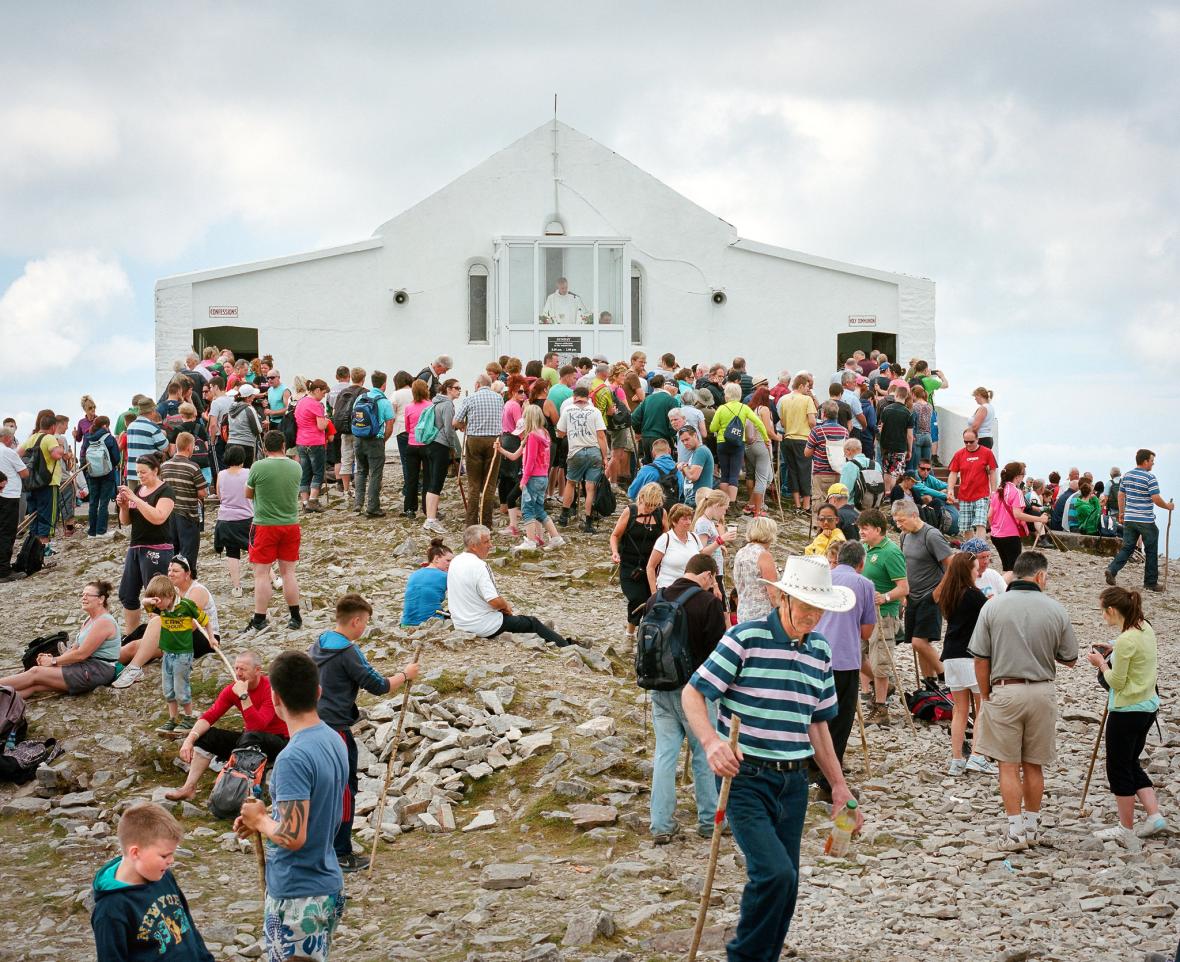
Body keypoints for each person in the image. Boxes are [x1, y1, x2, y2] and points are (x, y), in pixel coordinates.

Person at [683, 554, 863, 962]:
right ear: (783, 600)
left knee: (787, 882)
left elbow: (819, 726)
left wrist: (838, 785)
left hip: (794, 781)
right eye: (806, 607)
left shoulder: (820, 650)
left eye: (820, 609)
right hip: (744, 778)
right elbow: (693, 693)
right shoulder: (744, 638)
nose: (813, 616)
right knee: (774, 874)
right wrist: (711, 741)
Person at [234, 651, 348, 962]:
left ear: (274, 698)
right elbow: (316, 809)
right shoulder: (333, 739)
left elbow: (293, 837)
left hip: (299, 894)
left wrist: (260, 821)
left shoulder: (292, 758)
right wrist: (267, 816)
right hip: (327, 883)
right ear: (319, 692)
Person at [968, 551, 1078, 851]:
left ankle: (1014, 831)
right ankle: (1031, 827)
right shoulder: (1055, 609)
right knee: (1034, 764)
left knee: (1007, 764)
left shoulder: (993, 607)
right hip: (1042, 690)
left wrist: (987, 696)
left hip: (1005, 688)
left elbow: (980, 657)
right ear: (1040, 576)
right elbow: (1070, 658)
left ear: (1015, 574)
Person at [310, 593, 419, 872]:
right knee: (345, 789)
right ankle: (341, 852)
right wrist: (406, 674)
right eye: (366, 622)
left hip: (311, 725)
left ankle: (319, 844)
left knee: (322, 788)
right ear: (356, 620)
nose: (366, 627)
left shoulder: (320, 642)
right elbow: (378, 685)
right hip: (336, 730)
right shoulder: (348, 651)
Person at [645, 553, 728, 843]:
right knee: (705, 754)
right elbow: (720, 653)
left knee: (665, 754)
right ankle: (709, 821)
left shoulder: (658, 598)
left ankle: (661, 824)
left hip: (660, 687)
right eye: (713, 581)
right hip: (696, 691)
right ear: (707, 576)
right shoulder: (708, 603)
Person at [1086, 586, 1167, 849]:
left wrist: (1101, 663)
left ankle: (1126, 829)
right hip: (1147, 707)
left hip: (1127, 710)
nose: (1103, 616)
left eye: (1103, 611)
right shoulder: (1145, 627)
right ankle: (1154, 816)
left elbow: (1116, 682)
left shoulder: (1126, 640)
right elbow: (1135, 657)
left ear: (1111, 610)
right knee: (1131, 762)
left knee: (1118, 768)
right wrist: (1113, 651)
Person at [91, 802, 215, 962]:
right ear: (135, 852)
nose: (171, 860)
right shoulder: (110, 910)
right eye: (164, 856)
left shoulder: (164, 877)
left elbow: (188, 927)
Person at [165, 649, 290, 801]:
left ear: (258, 670)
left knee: (251, 735)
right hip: (249, 742)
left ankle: (243, 794)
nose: (238, 673)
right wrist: (189, 739)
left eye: (243, 669)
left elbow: (258, 726)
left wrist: (244, 696)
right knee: (207, 736)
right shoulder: (233, 689)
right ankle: (189, 787)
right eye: (236, 668)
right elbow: (210, 716)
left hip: (279, 743)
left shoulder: (270, 688)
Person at [813, 541, 877, 803]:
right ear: (860, 563)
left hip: (813, 655)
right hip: (844, 659)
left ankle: (808, 769)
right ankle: (829, 782)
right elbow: (867, 631)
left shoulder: (822, 577)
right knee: (839, 722)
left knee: (812, 716)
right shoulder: (864, 585)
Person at [447, 525, 581, 647]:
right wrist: (505, 606)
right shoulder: (480, 566)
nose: (491, 545)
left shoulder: (455, 561)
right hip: (483, 625)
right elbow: (493, 600)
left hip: (461, 623)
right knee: (531, 622)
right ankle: (566, 645)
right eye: (486, 542)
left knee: (518, 621)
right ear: (473, 546)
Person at [933, 552, 998, 777]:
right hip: (971, 656)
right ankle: (978, 756)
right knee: (982, 707)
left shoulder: (949, 594)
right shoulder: (974, 595)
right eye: (974, 568)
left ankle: (957, 759)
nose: (977, 571)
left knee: (960, 709)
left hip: (951, 656)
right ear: (966, 570)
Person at [0, 579, 121, 697]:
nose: (83, 598)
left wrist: (53, 661)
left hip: (97, 670)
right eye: (83, 594)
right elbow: (75, 649)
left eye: (88, 595)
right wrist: (55, 659)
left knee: (35, 672)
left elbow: (81, 654)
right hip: (86, 666)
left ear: (101, 599)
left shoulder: (104, 622)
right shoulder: (89, 619)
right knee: (35, 686)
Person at [245, 431, 304, 633]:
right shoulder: (296, 466)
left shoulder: (258, 466)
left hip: (264, 524)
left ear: (264, 448)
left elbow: (248, 493)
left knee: (261, 574)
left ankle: (260, 617)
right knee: (289, 573)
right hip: (290, 523)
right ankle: (295, 617)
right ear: (283, 445)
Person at [891, 499, 952, 689]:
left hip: (930, 595)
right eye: (896, 521)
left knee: (919, 642)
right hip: (912, 596)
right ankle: (930, 684)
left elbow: (951, 566)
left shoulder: (931, 535)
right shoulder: (904, 536)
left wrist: (937, 593)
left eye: (902, 521)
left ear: (914, 515)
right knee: (919, 644)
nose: (899, 525)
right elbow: (905, 566)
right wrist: (903, 595)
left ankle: (947, 677)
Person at [136, 573, 207, 735]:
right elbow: (145, 604)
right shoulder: (162, 607)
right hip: (168, 653)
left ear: (169, 595)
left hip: (183, 654)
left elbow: (205, 620)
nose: (157, 606)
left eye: (159, 600)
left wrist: (211, 638)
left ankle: (189, 718)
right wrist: (151, 600)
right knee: (168, 687)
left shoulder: (186, 605)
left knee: (181, 687)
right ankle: (173, 718)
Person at [114, 452, 176, 636]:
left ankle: (159, 635)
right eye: (138, 472)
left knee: (156, 596)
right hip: (136, 547)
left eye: (144, 472)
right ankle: (132, 635)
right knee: (127, 593)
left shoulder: (166, 491)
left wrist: (135, 499)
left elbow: (158, 517)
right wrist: (124, 507)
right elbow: (125, 522)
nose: (140, 476)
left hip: (158, 548)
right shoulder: (139, 492)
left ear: (155, 470)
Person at [858, 508, 909, 726]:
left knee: (880, 660)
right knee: (855, 652)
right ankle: (884, 686)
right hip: (862, 613)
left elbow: (904, 587)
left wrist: (886, 597)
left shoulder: (891, 552)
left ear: (878, 529)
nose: (861, 532)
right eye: (860, 528)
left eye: (865, 528)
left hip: (883, 615)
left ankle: (881, 708)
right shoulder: (864, 549)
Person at [497, 404, 565, 550]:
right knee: (539, 509)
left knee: (527, 509)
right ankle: (556, 537)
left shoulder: (533, 436)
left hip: (533, 477)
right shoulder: (544, 433)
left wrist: (524, 479)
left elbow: (530, 460)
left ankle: (530, 541)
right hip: (542, 477)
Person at [1106, 448, 1174, 592]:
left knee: (1127, 547)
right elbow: (1155, 498)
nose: (1152, 464)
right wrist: (1167, 506)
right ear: (1145, 461)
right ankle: (1150, 582)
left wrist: (1122, 513)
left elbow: (1121, 495)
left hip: (1130, 517)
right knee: (1151, 549)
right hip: (1145, 519)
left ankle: (1112, 569)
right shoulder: (1150, 477)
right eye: (1151, 461)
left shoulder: (1127, 475)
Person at [609, 482, 669, 639]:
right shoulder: (630, 511)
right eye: (648, 504)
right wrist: (615, 552)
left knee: (652, 598)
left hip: (652, 565)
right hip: (630, 564)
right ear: (641, 498)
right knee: (637, 598)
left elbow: (666, 538)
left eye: (654, 505)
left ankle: (646, 632)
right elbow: (615, 535)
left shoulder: (660, 514)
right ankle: (630, 631)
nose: (650, 508)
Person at [453, 374, 504, 527]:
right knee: (490, 483)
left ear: (477, 384)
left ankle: (471, 522)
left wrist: (463, 426)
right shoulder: (499, 398)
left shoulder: (471, 399)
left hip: (474, 440)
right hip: (494, 440)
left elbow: (455, 422)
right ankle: (486, 522)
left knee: (474, 484)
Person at [556, 385, 608, 534]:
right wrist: (605, 457)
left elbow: (560, 432)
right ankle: (589, 523)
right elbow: (601, 436)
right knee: (590, 488)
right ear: (588, 398)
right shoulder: (595, 411)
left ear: (574, 397)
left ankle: (564, 516)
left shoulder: (567, 410)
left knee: (571, 483)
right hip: (593, 452)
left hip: (575, 451)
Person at [709, 382, 769, 506]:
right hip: (737, 444)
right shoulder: (744, 408)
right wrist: (766, 439)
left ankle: (723, 504)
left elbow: (712, 428)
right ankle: (732, 503)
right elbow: (759, 423)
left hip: (722, 443)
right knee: (734, 475)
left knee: (724, 474)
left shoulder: (721, 408)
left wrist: (722, 426)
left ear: (727, 395)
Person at [160, 433, 207, 579]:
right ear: (189, 447)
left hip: (168, 514)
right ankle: (188, 578)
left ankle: (172, 577)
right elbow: (202, 492)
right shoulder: (192, 467)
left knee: (173, 549)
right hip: (187, 513)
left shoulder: (164, 466)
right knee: (189, 551)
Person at [648, 504, 723, 592]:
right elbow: (650, 567)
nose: (688, 522)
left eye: (689, 518)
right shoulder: (665, 539)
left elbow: (704, 563)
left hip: (691, 590)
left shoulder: (694, 537)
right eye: (684, 519)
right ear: (674, 521)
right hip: (668, 589)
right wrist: (654, 593)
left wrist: (715, 585)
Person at [18, 410, 66, 549]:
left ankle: (33, 548)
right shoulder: (49, 438)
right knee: (47, 516)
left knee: (34, 516)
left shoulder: (31, 438)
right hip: (48, 483)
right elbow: (57, 455)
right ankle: (44, 548)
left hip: (32, 483)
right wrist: (61, 446)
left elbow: (18, 455)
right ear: (52, 427)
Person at [353, 370, 396, 519]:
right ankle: (372, 507)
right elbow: (390, 425)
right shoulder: (384, 402)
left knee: (360, 471)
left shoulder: (360, 397)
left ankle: (358, 503)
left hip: (358, 438)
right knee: (375, 474)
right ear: (384, 384)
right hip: (375, 440)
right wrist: (383, 440)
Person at [989, 461, 1045, 572]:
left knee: (1007, 567)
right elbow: (1018, 514)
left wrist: (994, 527)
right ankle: (1007, 588)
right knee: (1014, 569)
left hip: (995, 535)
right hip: (1010, 535)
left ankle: (1005, 587)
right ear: (1017, 477)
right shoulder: (1016, 492)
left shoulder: (998, 491)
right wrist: (1039, 519)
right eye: (1023, 475)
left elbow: (990, 515)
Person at [213, 445, 252, 597]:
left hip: (225, 519)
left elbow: (219, 496)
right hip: (246, 518)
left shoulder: (221, 474)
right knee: (255, 550)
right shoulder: (248, 473)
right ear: (242, 459)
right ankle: (273, 578)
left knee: (232, 553)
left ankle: (236, 587)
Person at [947, 429, 998, 540]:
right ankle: (970, 550)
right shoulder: (959, 454)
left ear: (977, 440)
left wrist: (993, 491)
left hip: (981, 494)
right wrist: (950, 489)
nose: (968, 444)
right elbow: (953, 472)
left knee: (980, 523)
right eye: (966, 442)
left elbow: (993, 472)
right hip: (965, 495)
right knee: (966, 527)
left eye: (971, 442)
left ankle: (980, 547)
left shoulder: (987, 452)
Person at [777, 374, 817, 511]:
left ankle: (797, 504)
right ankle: (806, 505)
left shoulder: (784, 400)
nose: (808, 389)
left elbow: (782, 422)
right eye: (807, 386)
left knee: (792, 471)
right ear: (801, 385)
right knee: (805, 471)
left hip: (788, 439)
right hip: (803, 438)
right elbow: (812, 421)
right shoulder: (807, 400)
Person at [731, 516, 779, 625]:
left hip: (743, 611)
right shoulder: (764, 555)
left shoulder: (741, 552)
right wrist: (782, 611)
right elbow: (772, 591)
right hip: (763, 614)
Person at [804, 400, 848, 518]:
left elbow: (807, 453)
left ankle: (819, 531)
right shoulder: (844, 431)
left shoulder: (818, 430)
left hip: (821, 473)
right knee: (835, 505)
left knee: (819, 504)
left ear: (823, 414)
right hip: (838, 473)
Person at [293, 378, 330, 512]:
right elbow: (321, 426)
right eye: (323, 393)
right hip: (315, 441)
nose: (324, 396)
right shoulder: (316, 404)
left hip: (301, 441)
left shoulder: (301, 402)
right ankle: (313, 500)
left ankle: (304, 502)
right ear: (317, 390)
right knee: (318, 472)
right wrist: (327, 421)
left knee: (305, 472)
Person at [401, 377, 434, 522]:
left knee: (411, 477)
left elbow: (408, 428)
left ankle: (409, 508)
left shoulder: (409, 407)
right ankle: (428, 508)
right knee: (428, 477)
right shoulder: (430, 405)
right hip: (427, 445)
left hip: (412, 444)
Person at [692, 490, 735, 603]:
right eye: (724, 509)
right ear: (716, 506)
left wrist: (719, 546)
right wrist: (720, 541)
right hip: (709, 573)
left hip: (715, 571)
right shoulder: (703, 523)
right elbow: (701, 552)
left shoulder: (709, 521)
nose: (724, 513)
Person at [81, 416, 121, 537]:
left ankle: (92, 531)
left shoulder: (87, 438)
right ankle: (101, 531)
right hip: (107, 474)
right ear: (105, 426)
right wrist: (110, 467)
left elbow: (83, 455)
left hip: (92, 474)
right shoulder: (109, 438)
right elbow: (116, 458)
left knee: (93, 502)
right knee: (104, 502)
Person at [402, 540, 454, 626]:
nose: (451, 564)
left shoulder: (414, 574)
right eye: (448, 561)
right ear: (436, 559)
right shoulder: (445, 576)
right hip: (430, 622)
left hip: (406, 623)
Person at [0, 427, 29, 581]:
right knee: (7, 533)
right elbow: (24, 472)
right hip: (9, 494)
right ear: (7, 438)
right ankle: (3, 571)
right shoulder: (8, 452)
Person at [631, 374, 680, 464]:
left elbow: (634, 418)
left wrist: (639, 432)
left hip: (646, 438)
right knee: (663, 469)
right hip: (662, 440)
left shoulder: (647, 399)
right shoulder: (672, 400)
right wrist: (672, 437)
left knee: (651, 467)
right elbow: (675, 422)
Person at [876, 385, 914, 496]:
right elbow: (909, 435)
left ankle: (886, 492)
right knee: (896, 472)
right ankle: (894, 493)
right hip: (900, 446)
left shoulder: (886, 410)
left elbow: (881, 429)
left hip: (886, 445)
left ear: (896, 395)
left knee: (887, 470)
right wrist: (910, 449)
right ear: (906, 396)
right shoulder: (908, 413)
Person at [224, 385, 263, 466]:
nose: (254, 397)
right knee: (246, 473)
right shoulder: (249, 409)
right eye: (253, 395)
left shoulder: (232, 408)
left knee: (232, 472)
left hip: (231, 443)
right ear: (247, 398)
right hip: (246, 445)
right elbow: (258, 430)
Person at [677, 423, 714, 507]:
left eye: (687, 439)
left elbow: (693, 476)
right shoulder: (696, 451)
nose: (685, 443)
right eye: (682, 441)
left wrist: (683, 466)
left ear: (695, 435)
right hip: (695, 497)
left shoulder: (701, 451)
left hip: (697, 498)